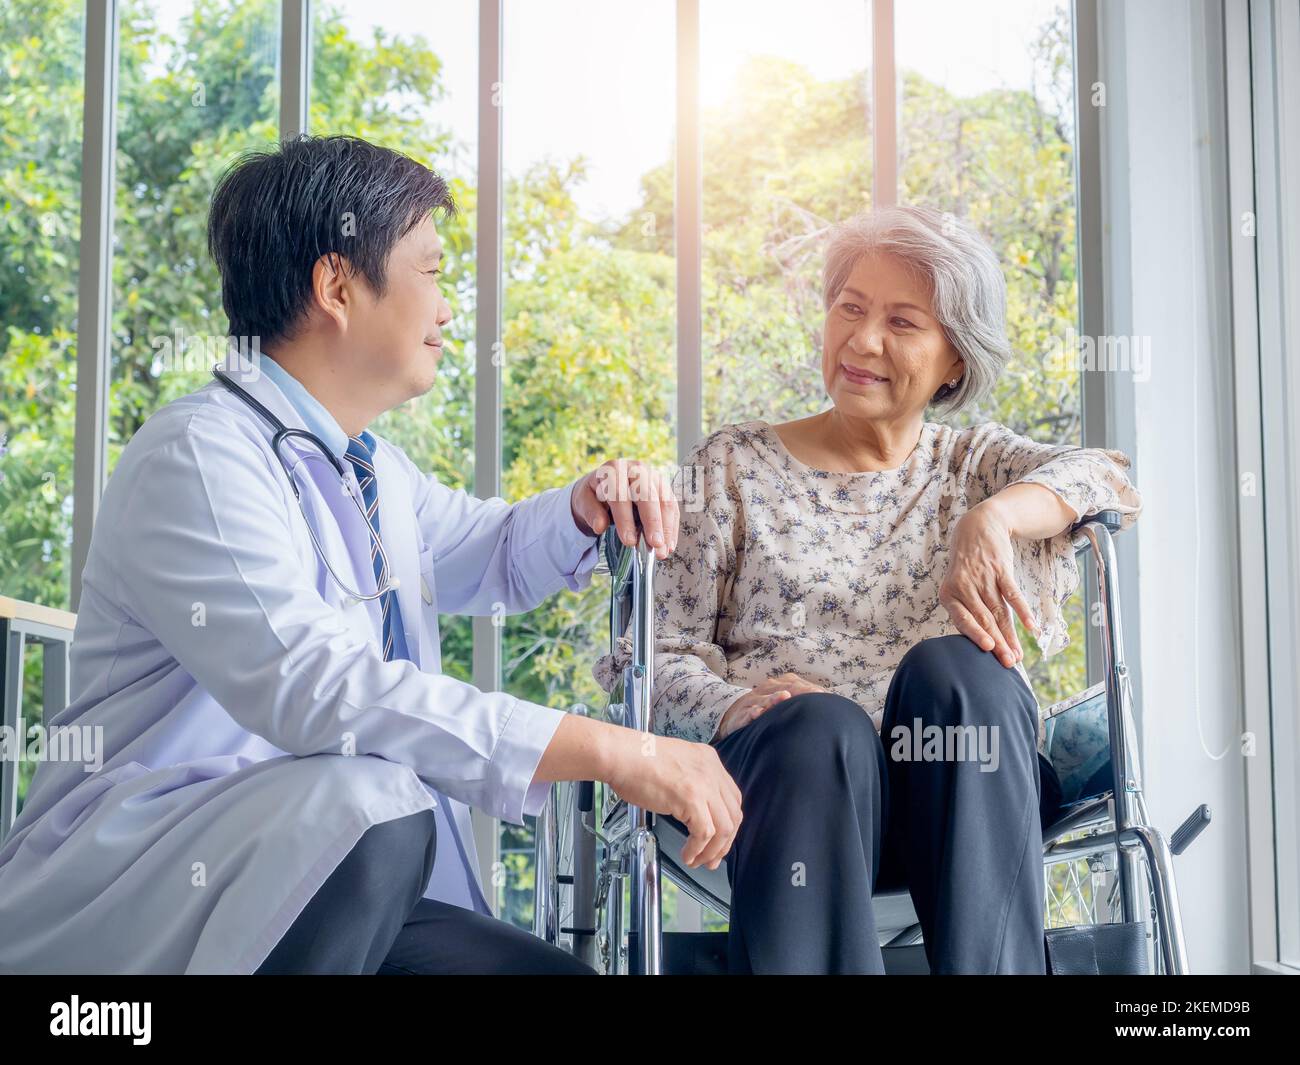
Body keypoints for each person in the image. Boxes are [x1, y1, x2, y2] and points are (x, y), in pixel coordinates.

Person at [0, 135, 743, 975]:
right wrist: (615, 750)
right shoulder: (201, 455)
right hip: (164, 881)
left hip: (343, 879)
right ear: (337, 285)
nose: (448, 309)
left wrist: (586, 505)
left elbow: (486, 551)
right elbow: (315, 686)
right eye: (430, 270)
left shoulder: (367, 465)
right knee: (367, 800)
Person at [594, 204, 1143, 974]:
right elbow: (649, 659)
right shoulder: (732, 467)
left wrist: (989, 519)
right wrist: (731, 703)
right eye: (849, 308)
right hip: (793, 796)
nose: (862, 340)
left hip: (962, 797)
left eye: (902, 321)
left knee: (958, 670)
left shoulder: (970, 465)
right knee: (820, 726)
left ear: (955, 359)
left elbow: (1107, 476)